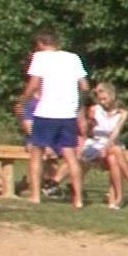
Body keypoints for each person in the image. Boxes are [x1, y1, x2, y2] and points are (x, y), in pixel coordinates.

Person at [17, 30, 90, 207]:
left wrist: (22, 102)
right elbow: (85, 86)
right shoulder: (73, 58)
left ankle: (35, 195)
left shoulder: (40, 58)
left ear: (41, 44)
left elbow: (33, 84)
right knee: (70, 155)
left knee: (36, 153)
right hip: (68, 113)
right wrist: (74, 101)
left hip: (46, 111)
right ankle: (78, 199)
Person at [80, 83, 128, 209]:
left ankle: (117, 200)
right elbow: (88, 132)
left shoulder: (122, 113)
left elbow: (115, 133)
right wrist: (90, 123)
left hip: (111, 146)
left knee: (114, 158)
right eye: (100, 99)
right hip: (95, 145)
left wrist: (107, 146)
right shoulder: (95, 110)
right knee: (116, 151)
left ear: (112, 96)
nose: (102, 102)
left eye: (104, 99)